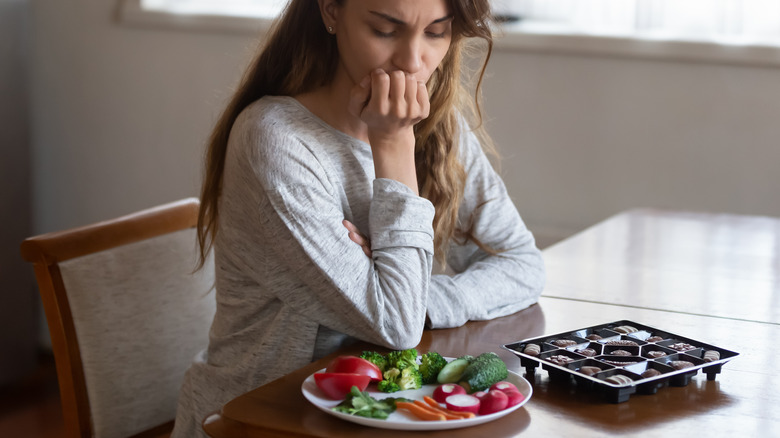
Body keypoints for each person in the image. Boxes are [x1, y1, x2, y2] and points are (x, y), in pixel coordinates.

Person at [172, 0, 545, 436]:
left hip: (378, 417)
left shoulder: (441, 125)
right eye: (386, 30)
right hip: (261, 420)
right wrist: (392, 144)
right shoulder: (275, 142)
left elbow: (522, 263)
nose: (412, 61)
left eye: (436, 32)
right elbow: (396, 326)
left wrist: (413, 296)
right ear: (331, 11)